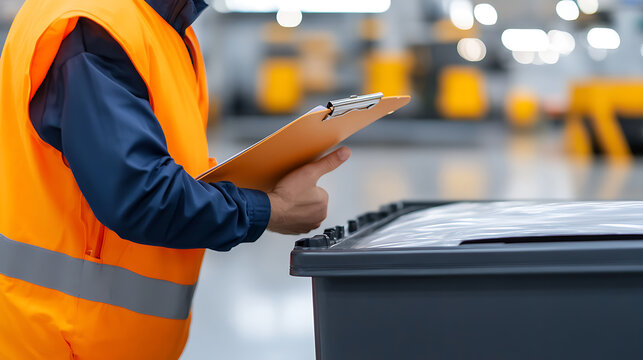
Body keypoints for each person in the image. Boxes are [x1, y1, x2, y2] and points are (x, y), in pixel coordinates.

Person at [0, 0, 350, 358]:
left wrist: (265, 183)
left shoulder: (165, 29)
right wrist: (270, 209)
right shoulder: (97, 26)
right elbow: (140, 195)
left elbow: (169, 165)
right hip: (60, 342)